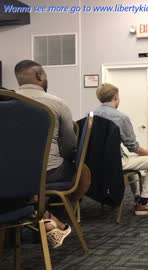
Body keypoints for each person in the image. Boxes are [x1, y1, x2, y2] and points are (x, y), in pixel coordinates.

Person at [15, 60, 76, 247]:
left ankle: (36, 216)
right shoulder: (56, 103)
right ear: (40, 76)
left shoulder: (5, 101)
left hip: (8, 176)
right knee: (80, 172)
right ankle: (52, 218)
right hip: (48, 172)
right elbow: (70, 146)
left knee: (24, 181)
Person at [94, 83, 148, 215]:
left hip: (95, 165)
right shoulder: (120, 117)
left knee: (132, 163)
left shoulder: (89, 116)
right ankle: (144, 204)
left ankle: (138, 197)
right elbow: (133, 147)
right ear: (116, 97)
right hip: (116, 163)